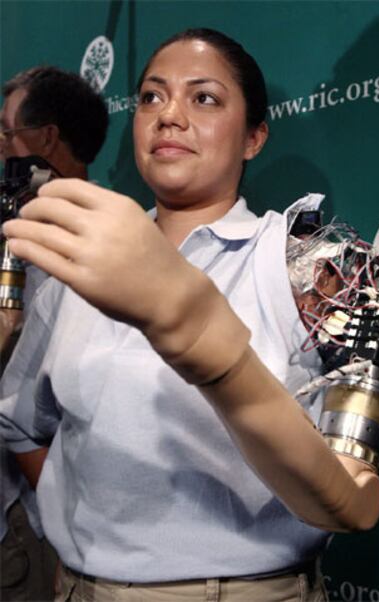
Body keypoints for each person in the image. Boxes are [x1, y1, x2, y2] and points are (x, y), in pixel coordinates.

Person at [0, 29, 379, 602]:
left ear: (254, 136)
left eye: (203, 98)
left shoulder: (308, 269)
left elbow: (351, 498)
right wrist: (85, 524)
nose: (168, 116)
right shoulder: (75, 271)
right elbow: (21, 421)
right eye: (152, 97)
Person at [0, 65, 109, 602]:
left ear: (43, 140)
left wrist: (65, 515)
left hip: (40, 531)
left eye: (5, 132)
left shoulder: (119, 247)